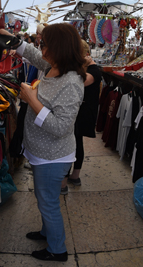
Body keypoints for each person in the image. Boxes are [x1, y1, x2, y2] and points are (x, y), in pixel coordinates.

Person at [5, 23, 86, 262]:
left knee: (48, 202)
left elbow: (61, 127)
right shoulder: (53, 67)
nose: (41, 48)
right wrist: (12, 39)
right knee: (44, 198)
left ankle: (57, 249)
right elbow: (32, 55)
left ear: (58, 48)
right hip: (42, 151)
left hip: (53, 156)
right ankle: (47, 232)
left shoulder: (71, 82)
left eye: (45, 44)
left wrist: (31, 99)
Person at [60, 40, 101, 194]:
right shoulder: (83, 68)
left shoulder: (94, 70)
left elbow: (79, 83)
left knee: (71, 144)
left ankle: (63, 183)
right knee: (76, 142)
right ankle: (74, 176)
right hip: (80, 111)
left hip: (82, 113)